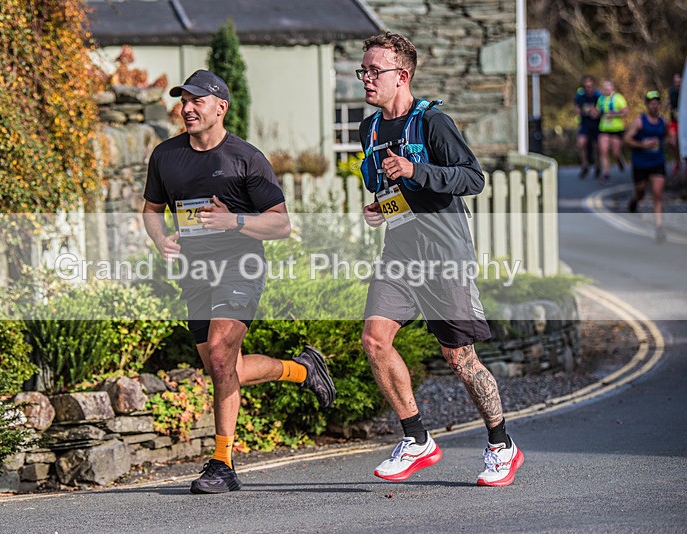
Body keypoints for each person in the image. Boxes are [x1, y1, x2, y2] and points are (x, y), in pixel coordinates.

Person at [142, 69, 336, 494]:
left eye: (196, 101)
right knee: (223, 367)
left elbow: (281, 224)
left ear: (220, 107)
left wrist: (234, 220)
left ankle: (222, 463)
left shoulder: (245, 158)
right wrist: (161, 241)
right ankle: (301, 370)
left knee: (219, 354)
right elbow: (151, 208)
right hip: (194, 272)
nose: (187, 108)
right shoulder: (166, 156)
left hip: (239, 266)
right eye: (184, 100)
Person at [356, 32, 523, 487]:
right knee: (374, 339)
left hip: (445, 255)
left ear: (402, 76)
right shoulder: (368, 129)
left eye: (376, 71)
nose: (367, 79)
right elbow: (398, 196)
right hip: (400, 254)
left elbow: (473, 178)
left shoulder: (433, 123)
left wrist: (415, 169)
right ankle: (417, 439)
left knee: (460, 358)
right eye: (364, 70)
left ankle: (501, 444)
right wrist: (381, 208)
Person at [624, 90, 672, 243]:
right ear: (647, 104)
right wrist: (642, 144)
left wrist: (671, 141)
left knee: (657, 194)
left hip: (657, 162)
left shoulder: (662, 122)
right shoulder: (639, 122)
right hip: (640, 163)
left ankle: (659, 227)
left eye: (656, 102)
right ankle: (634, 202)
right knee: (640, 193)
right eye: (651, 102)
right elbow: (626, 140)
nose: (654, 104)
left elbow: (667, 136)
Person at [597, 80, 629, 184]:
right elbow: (597, 111)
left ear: (612, 88)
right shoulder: (601, 99)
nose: (606, 90)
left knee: (615, 153)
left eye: (608, 88)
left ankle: (619, 159)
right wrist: (593, 112)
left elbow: (625, 111)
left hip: (616, 129)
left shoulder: (618, 98)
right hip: (604, 129)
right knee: (603, 151)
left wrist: (614, 114)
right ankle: (606, 174)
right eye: (604, 88)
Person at [574, 75, 602, 179]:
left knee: (596, 146)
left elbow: (601, 109)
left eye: (589, 86)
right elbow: (577, 109)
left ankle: (598, 165)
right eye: (586, 86)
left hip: (596, 124)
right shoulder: (580, 96)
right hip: (585, 123)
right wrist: (581, 111)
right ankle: (585, 165)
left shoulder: (598, 95)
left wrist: (597, 112)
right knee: (581, 143)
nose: (587, 88)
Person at [667, 73, 683, 176]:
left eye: (679, 81)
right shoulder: (671, 91)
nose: (677, 84)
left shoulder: (685, 91)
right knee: (673, 141)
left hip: (684, 121)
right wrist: (668, 105)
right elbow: (670, 103)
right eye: (675, 82)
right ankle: (677, 163)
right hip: (674, 120)